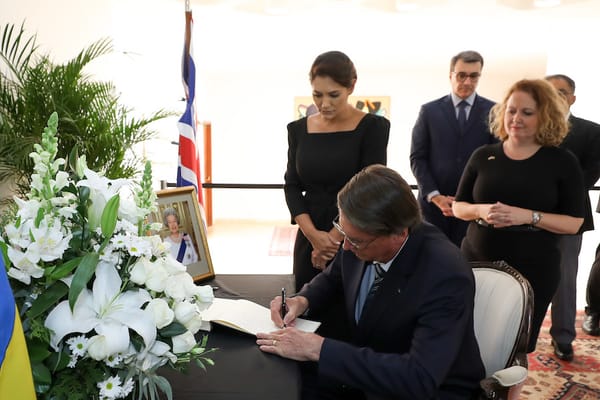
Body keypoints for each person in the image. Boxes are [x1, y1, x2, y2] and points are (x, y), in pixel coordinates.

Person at [258, 164, 485, 400]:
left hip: (422, 389)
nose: (345, 247)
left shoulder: (444, 275)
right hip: (368, 368)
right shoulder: (360, 234)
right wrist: (302, 300)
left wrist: (318, 348)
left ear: (399, 234)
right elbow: (334, 277)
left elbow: (419, 378)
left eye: (355, 241)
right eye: (342, 233)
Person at [452, 79, 585, 352]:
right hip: (476, 262)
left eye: (527, 112)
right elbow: (458, 206)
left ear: (545, 115)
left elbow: (574, 223)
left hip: (534, 269)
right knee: (468, 338)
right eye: (511, 110)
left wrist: (527, 216)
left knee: (515, 347)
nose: (516, 118)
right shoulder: (482, 155)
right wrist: (480, 210)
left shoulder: (562, 161)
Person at [410, 50, 496, 248]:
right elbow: (417, 158)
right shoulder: (429, 111)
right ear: (451, 75)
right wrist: (435, 196)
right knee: (429, 261)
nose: (467, 82)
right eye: (461, 75)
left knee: (468, 263)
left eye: (474, 76)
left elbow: (495, 159)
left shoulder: (494, 111)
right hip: (432, 207)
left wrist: (470, 200)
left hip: (474, 206)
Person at [544, 74, 600, 361]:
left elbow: (590, 175)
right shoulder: (529, 128)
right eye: (549, 91)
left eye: (561, 92)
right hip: (527, 217)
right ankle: (519, 335)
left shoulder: (592, 132)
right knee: (526, 277)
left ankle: (563, 338)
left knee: (565, 279)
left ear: (572, 98)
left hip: (570, 216)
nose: (555, 96)